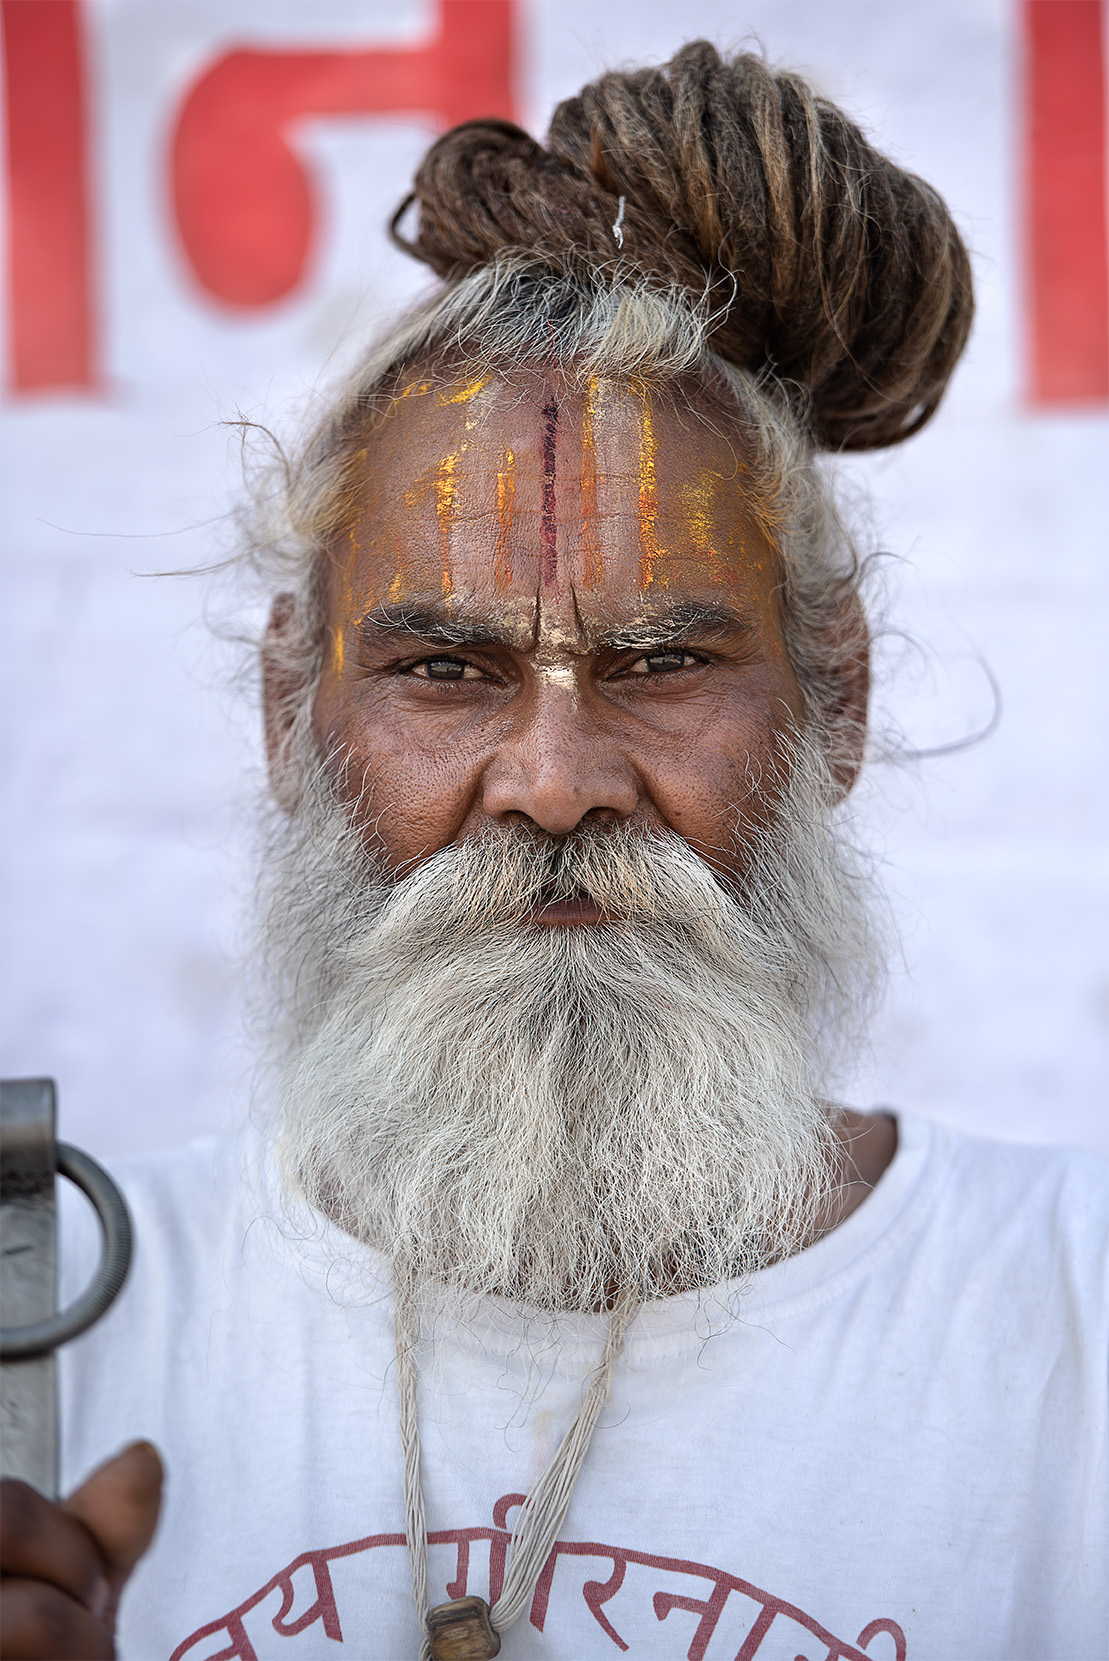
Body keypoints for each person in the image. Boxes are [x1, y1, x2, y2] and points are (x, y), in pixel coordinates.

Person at [1, 41, 1105, 1661]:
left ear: (839, 705)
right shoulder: (52, 1340)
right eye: (444, 670)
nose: (553, 778)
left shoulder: (1074, 1321)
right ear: (286, 719)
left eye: (662, 662)